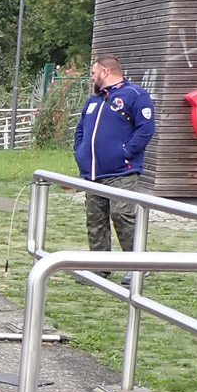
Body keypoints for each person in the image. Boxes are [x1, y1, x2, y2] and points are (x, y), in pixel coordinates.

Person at [73, 54, 155, 282]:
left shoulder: (135, 96)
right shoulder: (93, 101)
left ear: (105, 72)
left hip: (121, 172)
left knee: (123, 214)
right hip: (93, 173)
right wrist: (80, 152)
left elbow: (145, 129)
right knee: (95, 219)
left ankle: (138, 264)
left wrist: (125, 153)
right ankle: (99, 266)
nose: (91, 76)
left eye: (93, 72)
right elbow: (81, 130)